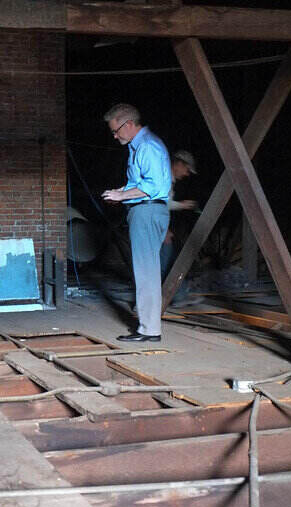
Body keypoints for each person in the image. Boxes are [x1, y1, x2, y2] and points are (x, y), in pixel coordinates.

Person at [101, 103, 171, 342]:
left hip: (148, 211)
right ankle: (148, 327)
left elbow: (154, 187)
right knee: (145, 270)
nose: (114, 135)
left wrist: (122, 196)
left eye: (116, 130)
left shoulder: (148, 147)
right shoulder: (138, 146)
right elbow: (139, 183)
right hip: (144, 211)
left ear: (128, 124)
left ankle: (150, 330)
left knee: (146, 272)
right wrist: (120, 192)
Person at [161, 150, 202, 306]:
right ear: (178, 164)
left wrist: (182, 205)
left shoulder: (169, 179)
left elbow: (163, 204)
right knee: (166, 262)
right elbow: (158, 204)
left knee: (168, 260)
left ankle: (178, 294)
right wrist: (163, 230)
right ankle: (175, 296)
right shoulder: (163, 177)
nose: (187, 174)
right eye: (187, 170)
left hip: (158, 225)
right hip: (154, 226)